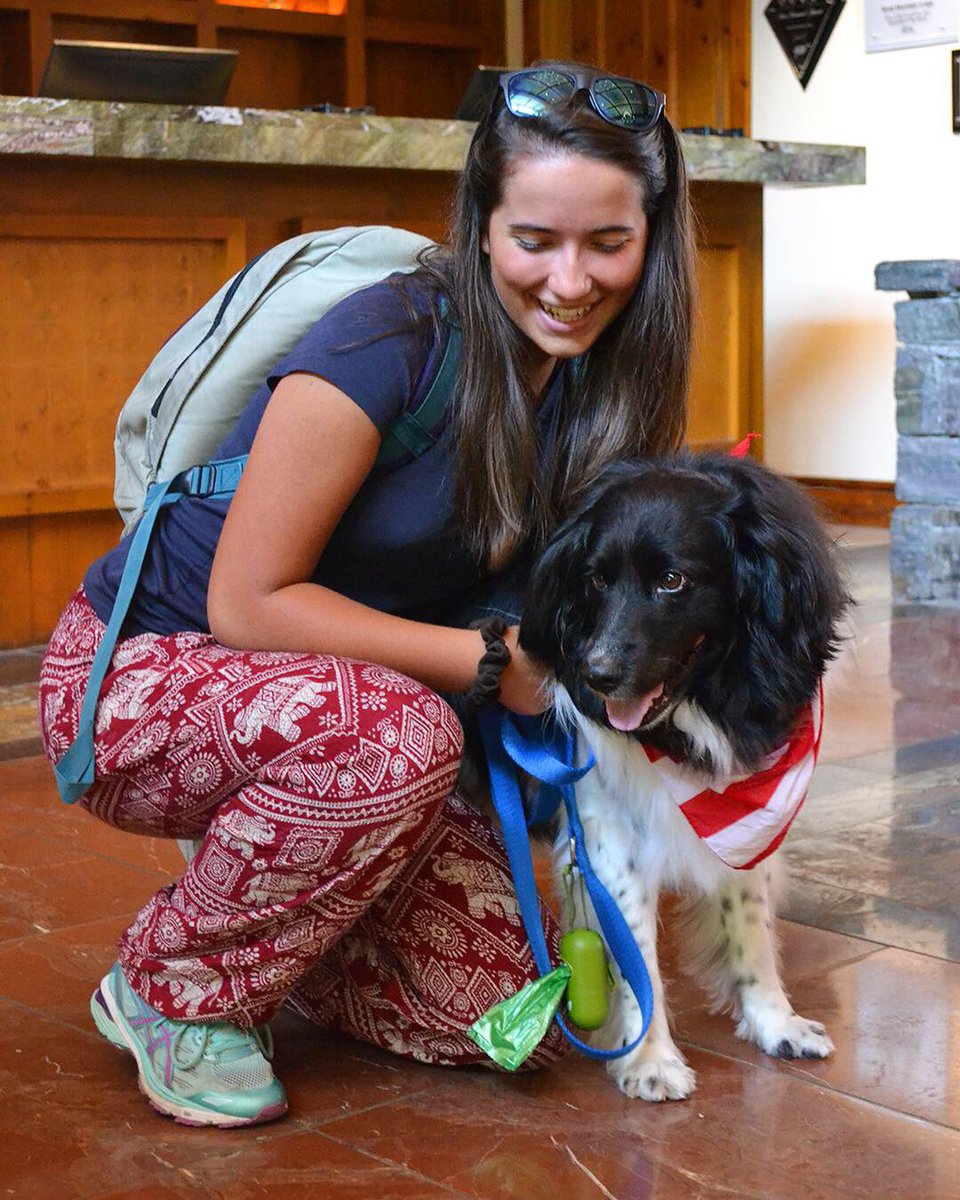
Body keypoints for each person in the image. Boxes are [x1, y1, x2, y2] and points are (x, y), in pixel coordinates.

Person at [37, 61, 694, 1128]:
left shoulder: (602, 387)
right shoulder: (387, 339)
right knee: (401, 739)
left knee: (493, 1017)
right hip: (140, 676)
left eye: (607, 245)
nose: (570, 281)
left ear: (652, 242)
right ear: (481, 226)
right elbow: (248, 606)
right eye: (536, 239)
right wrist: (494, 665)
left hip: (354, 697)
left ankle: (284, 888)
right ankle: (171, 984)